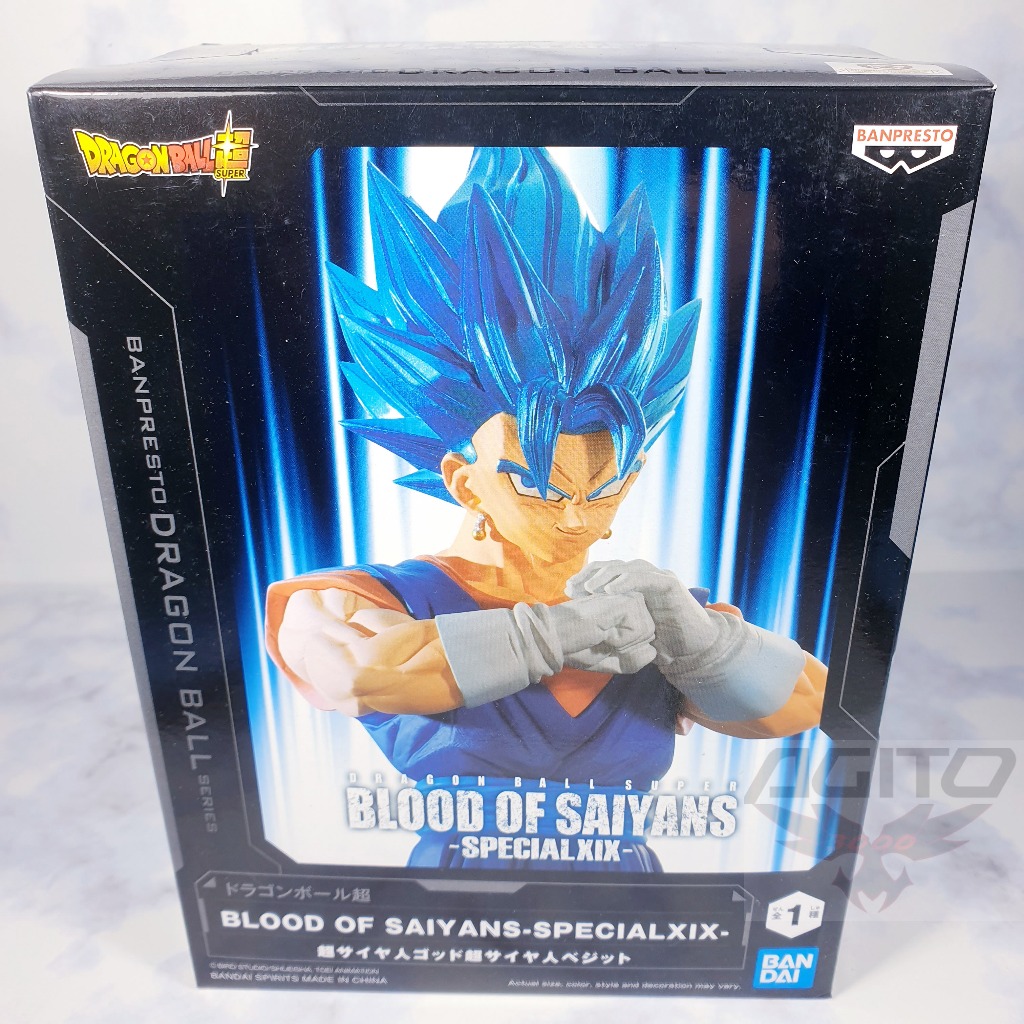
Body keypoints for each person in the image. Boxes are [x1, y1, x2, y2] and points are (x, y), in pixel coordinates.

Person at [265, 147, 825, 871]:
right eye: (539, 486)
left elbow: (805, 704)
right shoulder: (372, 598)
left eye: (604, 487)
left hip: (629, 904)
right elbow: (356, 670)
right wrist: (553, 635)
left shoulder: (652, 610)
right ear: (466, 482)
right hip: (460, 904)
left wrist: (702, 645)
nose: (574, 517)